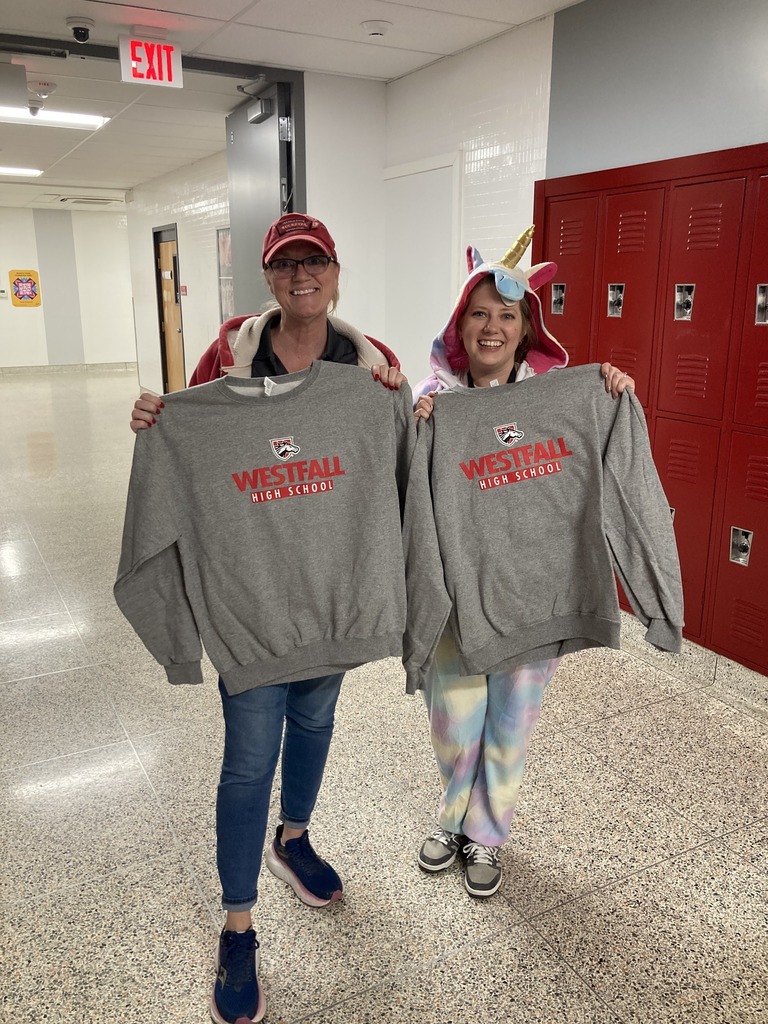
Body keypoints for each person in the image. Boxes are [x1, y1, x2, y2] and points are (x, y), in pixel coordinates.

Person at [128, 212, 405, 1024]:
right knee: (249, 756)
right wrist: (158, 419)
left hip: (331, 597)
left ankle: (294, 838)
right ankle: (238, 924)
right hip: (252, 608)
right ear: (269, 279)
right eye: (287, 265)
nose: (302, 275)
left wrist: (411, 411)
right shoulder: (229, 359)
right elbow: (189, 433)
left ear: (335, 271)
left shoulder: (368, 369)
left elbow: (405, 462)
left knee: (316, 721)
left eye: (314, 261)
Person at [411, 230, 635, 899]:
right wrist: (417, 422)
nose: (492, 327)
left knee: (511, 720)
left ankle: (486, 833)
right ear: (459, 324)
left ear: (526, 328)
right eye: (479, 313)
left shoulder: (556, 399)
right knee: (456, 716)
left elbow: (599, 439)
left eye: (507, 315)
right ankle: (453, 815)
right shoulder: (435, 400)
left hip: (534, 591)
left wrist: (612, 388)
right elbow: (405, 490)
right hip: (456, 592)